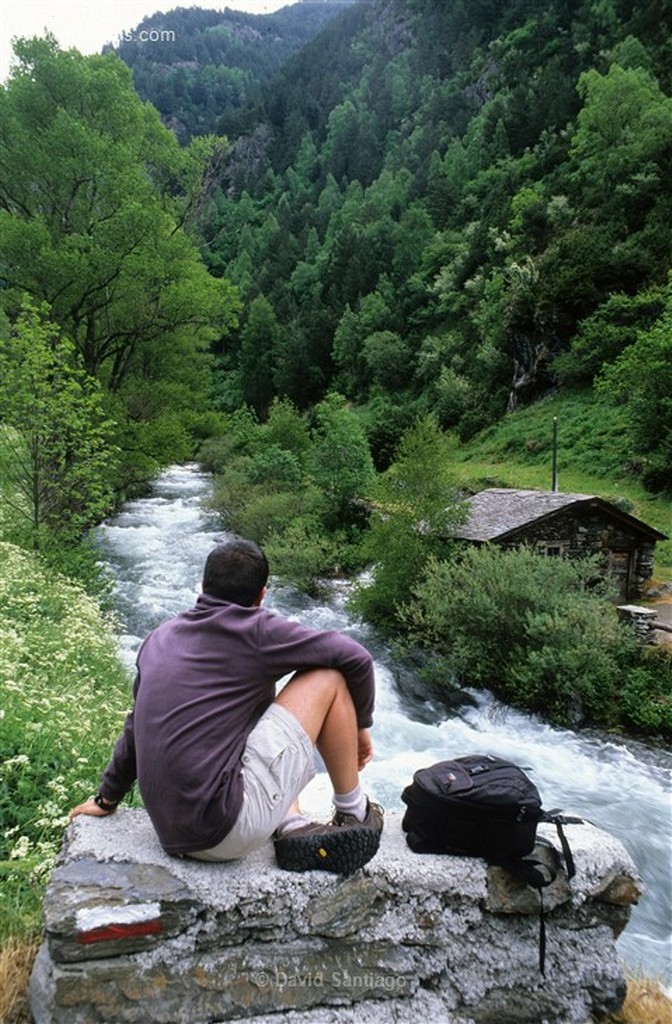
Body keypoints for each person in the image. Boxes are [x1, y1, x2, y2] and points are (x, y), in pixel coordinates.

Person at [70, 537, 383, 874]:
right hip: (224, 831)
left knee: (251, 698)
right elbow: (357, 657)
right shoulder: (258, 631)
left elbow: (136, 728)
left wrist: (107, 798)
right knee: (328, 676)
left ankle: (290, 822)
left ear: (203, 586)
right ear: (262, 595)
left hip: (172, 831)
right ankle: (354, 812)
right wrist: (360, 728)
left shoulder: (158, 637)